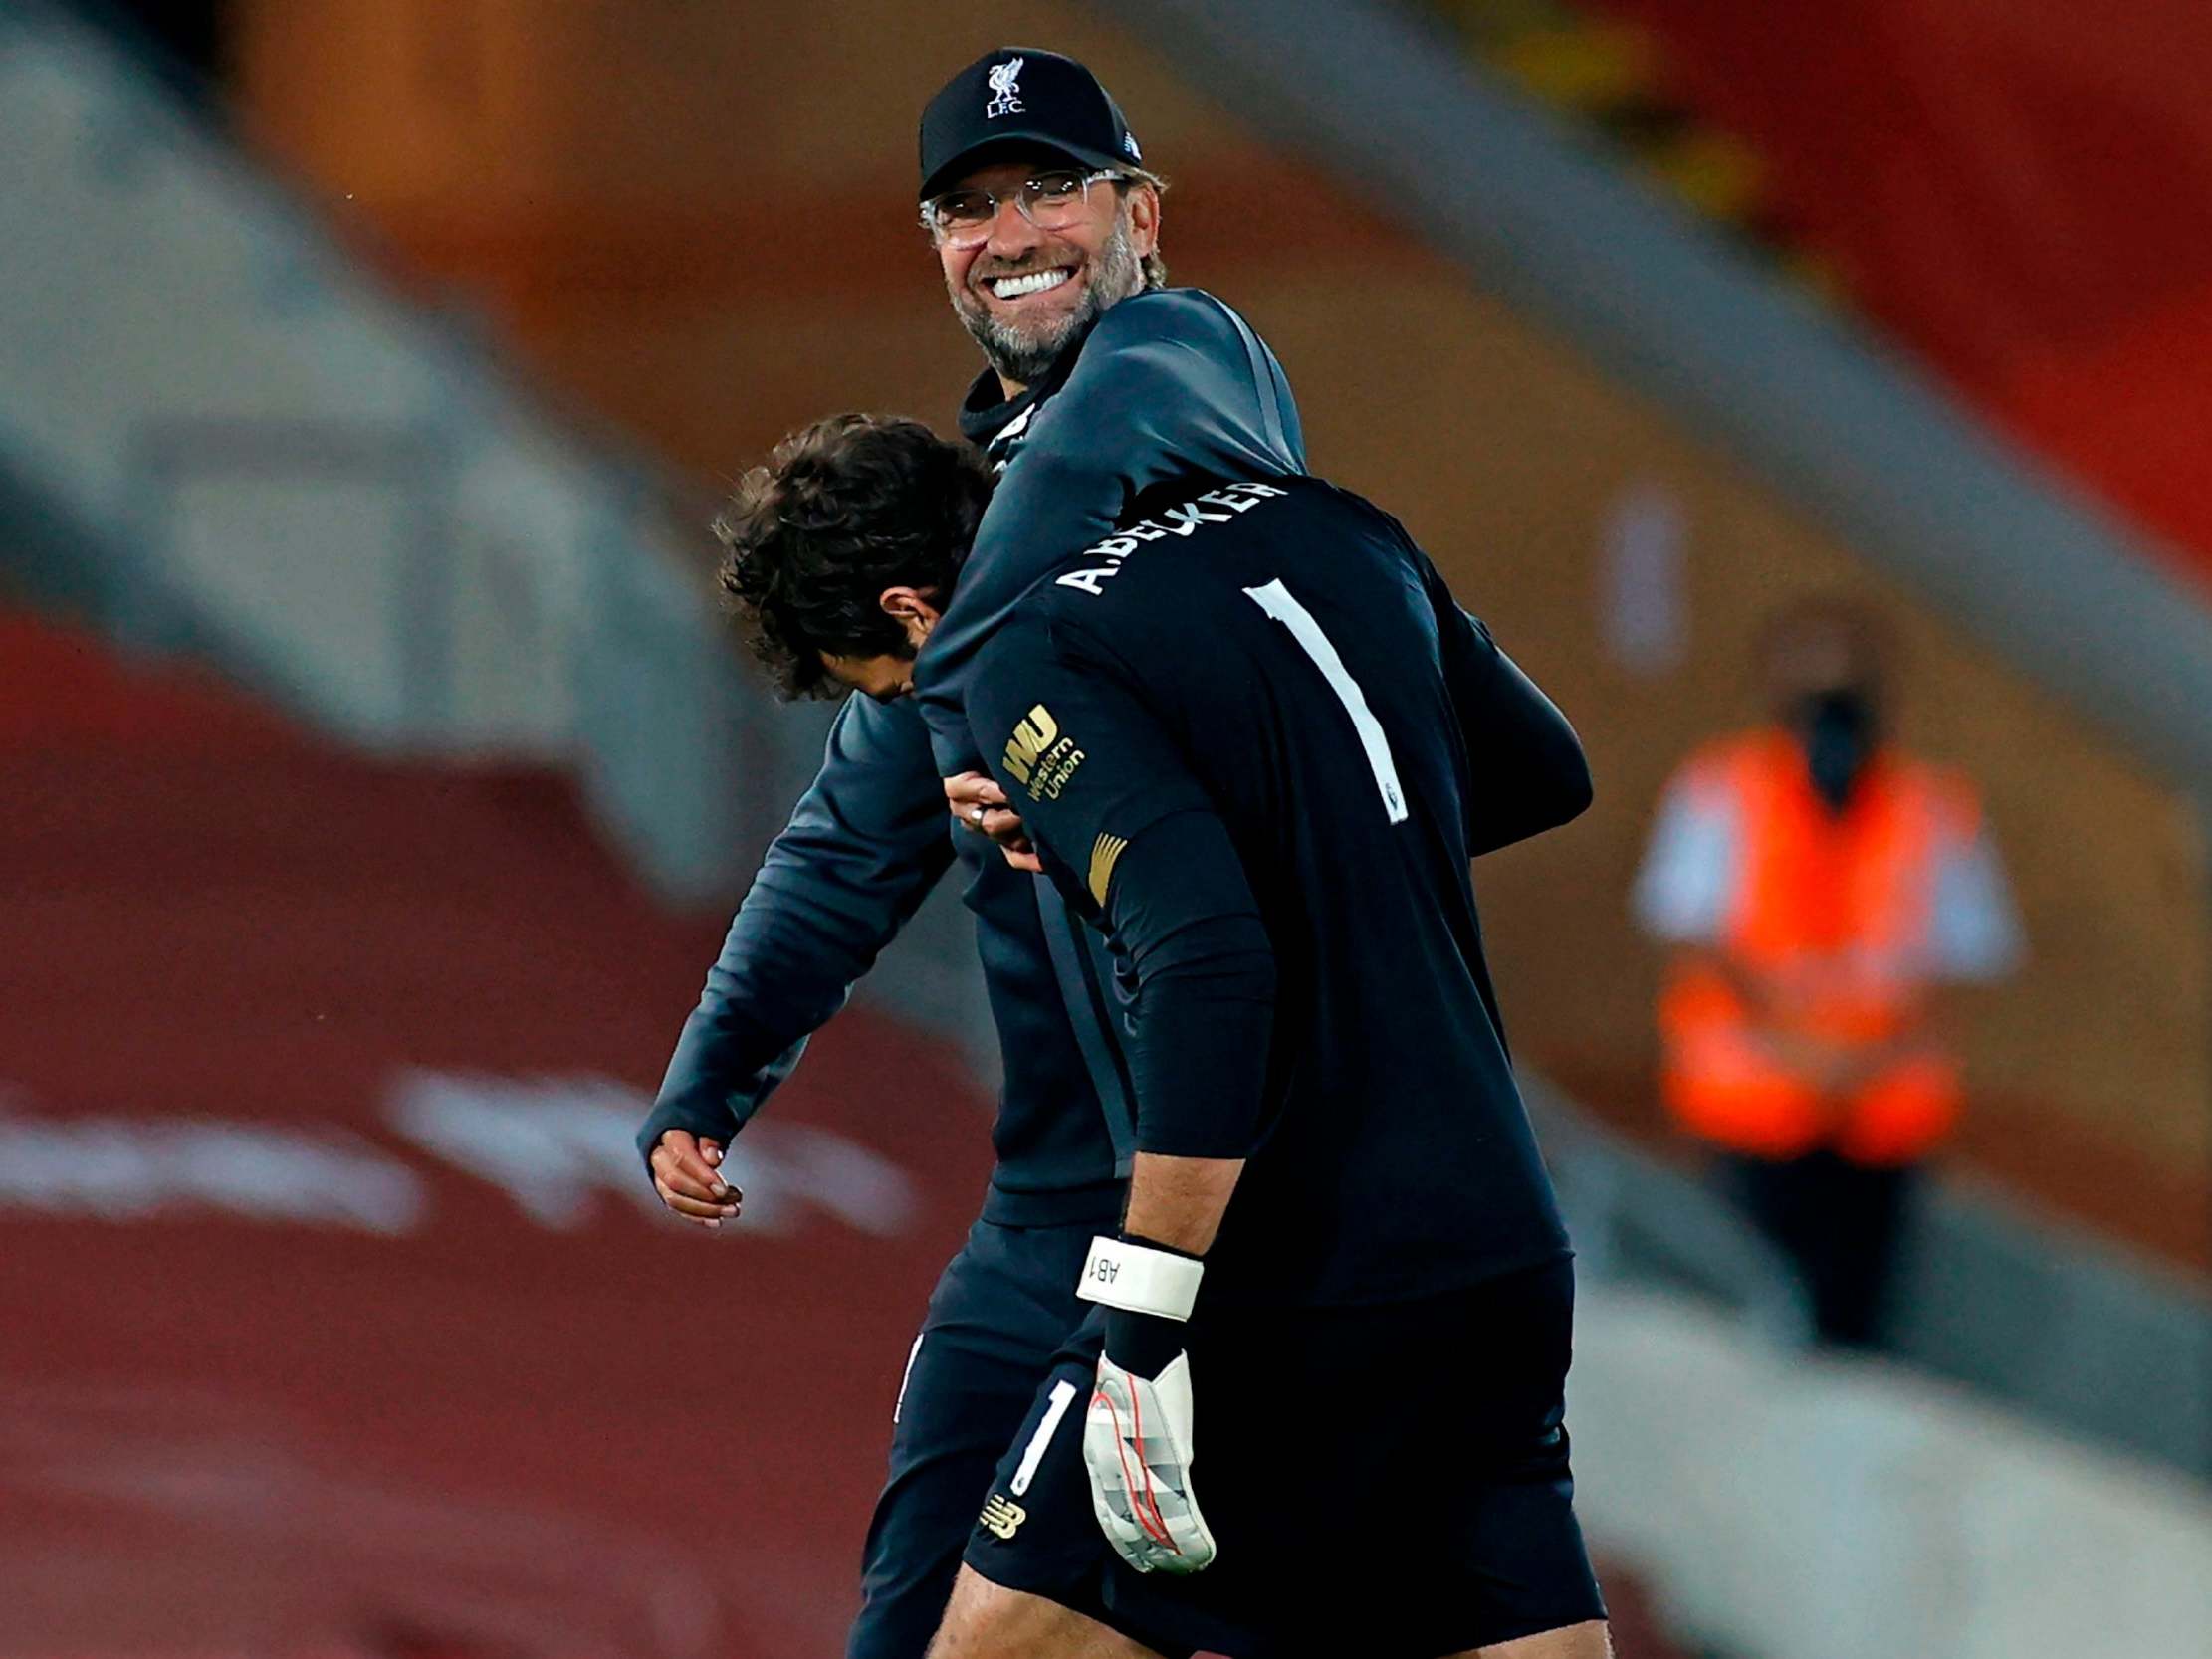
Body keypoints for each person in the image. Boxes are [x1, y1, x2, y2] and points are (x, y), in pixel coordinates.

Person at [719, 410, 1613, 1659]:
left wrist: (1141, 1325)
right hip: (1494, 1239)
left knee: (997, 1639)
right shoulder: (1333, 525)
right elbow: (1541, 771)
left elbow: (1206, 957)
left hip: (1284, 1264)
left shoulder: (1031, 647)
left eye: (900, 687)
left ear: (918, 612)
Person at [637, 47, 1305, 1659]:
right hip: (1047, 1202)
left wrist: (985, 659)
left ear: (1142, 212)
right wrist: (706, 1081)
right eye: (968, 209)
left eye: (1049, 191)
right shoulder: (967, 525)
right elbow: (844, 843)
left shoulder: (1184, 365)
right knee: (903, 1617)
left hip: (1221, 1193)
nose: (1010, 233)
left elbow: (1089, 461)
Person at [1633, 598, 2024, 1346]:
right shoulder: (1721, 791)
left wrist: (1862, 1060)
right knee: (1739, 1318)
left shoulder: (1932, 810)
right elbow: (1694, 937)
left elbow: (1964, 962)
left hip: (1881, 1122)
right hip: (1749, 1112)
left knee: (1855, 1332)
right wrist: (1799, 1049)